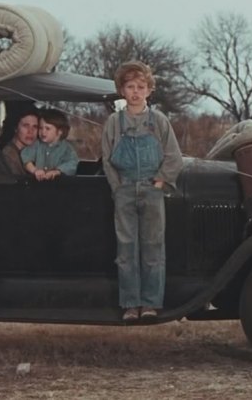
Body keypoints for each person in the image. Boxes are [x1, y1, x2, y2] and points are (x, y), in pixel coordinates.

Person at [101, 61, 182, 322]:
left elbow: (173, 157)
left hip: (152, 189)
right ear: (122, 90)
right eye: (130, 87)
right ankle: (129, 304)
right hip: (124, 189)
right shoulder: (114, 122)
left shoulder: (158, 121)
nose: (135, 92)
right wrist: (118, 187)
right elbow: (106, 158)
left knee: (153, 248)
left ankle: (150, 304)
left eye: (141, 87)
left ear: (149, 90)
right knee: (126, 250)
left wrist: (159, 183)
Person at [21, 108, 79, 180]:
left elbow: (72, 163)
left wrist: (57, 171)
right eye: (41, 128)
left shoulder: (67, 149)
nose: (43, 132)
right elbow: (26, 157)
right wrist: (34, 170)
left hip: (59, 185)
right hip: (38, 184)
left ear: (60, 131)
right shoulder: (37, 144)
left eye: (47, 128)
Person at [1, 107, 39, 175]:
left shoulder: (37, 151)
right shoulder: (8, 155)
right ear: (16, 128)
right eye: (26, 126)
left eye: (35, 127)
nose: (30, 131)